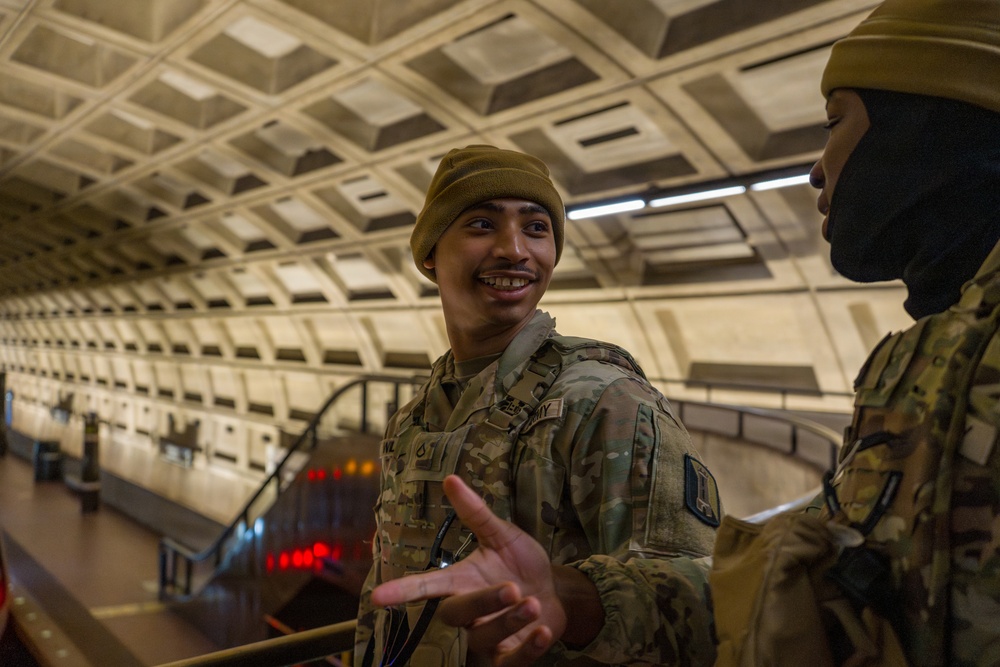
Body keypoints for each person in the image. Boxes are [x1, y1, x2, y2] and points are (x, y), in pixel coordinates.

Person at [354, 145, 721, 666]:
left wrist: (574, 598)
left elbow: (710, 601)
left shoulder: (602, 403)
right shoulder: (414, 423)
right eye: (482, 224)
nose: (515, 250)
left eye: (536, 228)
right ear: (431, 252)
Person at [712, 1, 1000, 665]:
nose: (816, 169)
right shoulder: (927, 354)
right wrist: (580, 597)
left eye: (835, 122)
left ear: (919, 127)